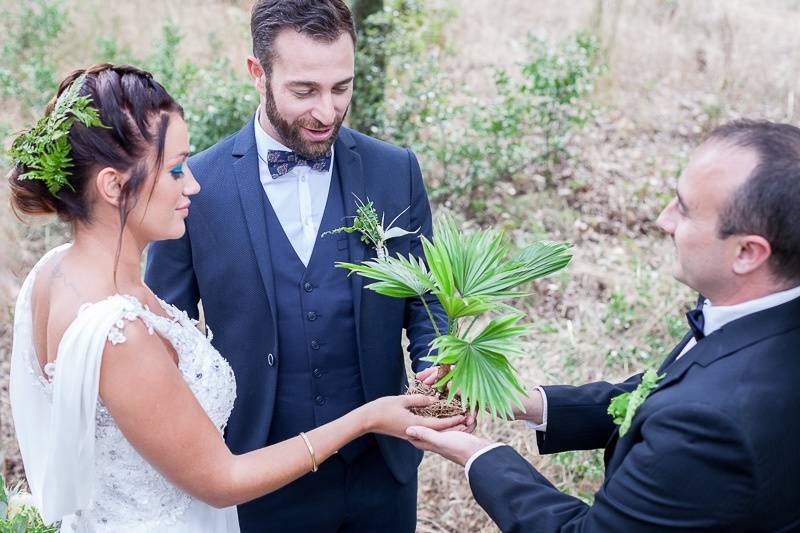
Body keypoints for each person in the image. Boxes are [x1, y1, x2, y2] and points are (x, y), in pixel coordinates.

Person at [7, 64, 463, 533]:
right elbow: (220, 479)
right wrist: (364, 419)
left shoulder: (55, 272)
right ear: (112, 186)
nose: (193, 184)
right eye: (176, 170)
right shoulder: (120, 334)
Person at [144, 1, 460, 531]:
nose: (328, 111)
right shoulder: (196, 186)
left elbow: (426, 300)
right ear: (256, 73)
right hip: (257, 473)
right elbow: (164, 334)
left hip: (382, 470)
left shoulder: (394, 171)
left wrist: (439, 366)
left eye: (342, 87)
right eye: (304, 91)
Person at [408, 120, 800, 532]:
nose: (664, 220)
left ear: (747, 253)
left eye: (683, 209)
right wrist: (515, 399)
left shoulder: (712, 424)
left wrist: (479, 456)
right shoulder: (760, 316)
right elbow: (656, 394)